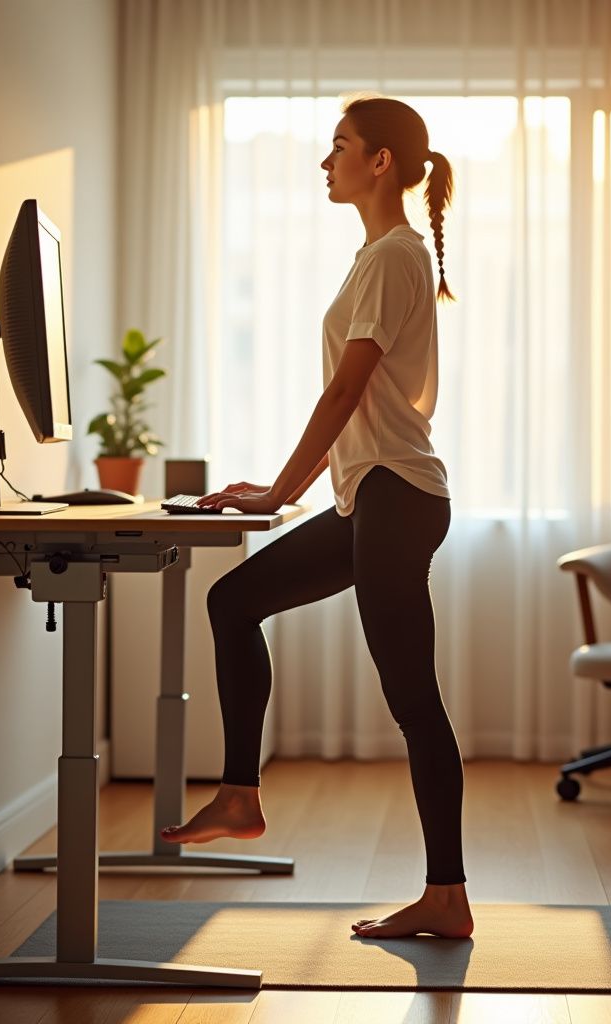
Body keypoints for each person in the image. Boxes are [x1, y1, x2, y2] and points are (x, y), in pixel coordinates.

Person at [158, 97, 472, 940]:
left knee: (412, 697)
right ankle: (240, 793)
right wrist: (293, 487)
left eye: (338, 148)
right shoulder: (380, 255)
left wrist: (275, 492)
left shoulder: (391, 255)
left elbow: (346, 391)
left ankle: (447, 895)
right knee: (233, 602)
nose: (323, 162)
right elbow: (353, 400)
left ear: (379, 163)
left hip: (396, 498)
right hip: (374, 496)